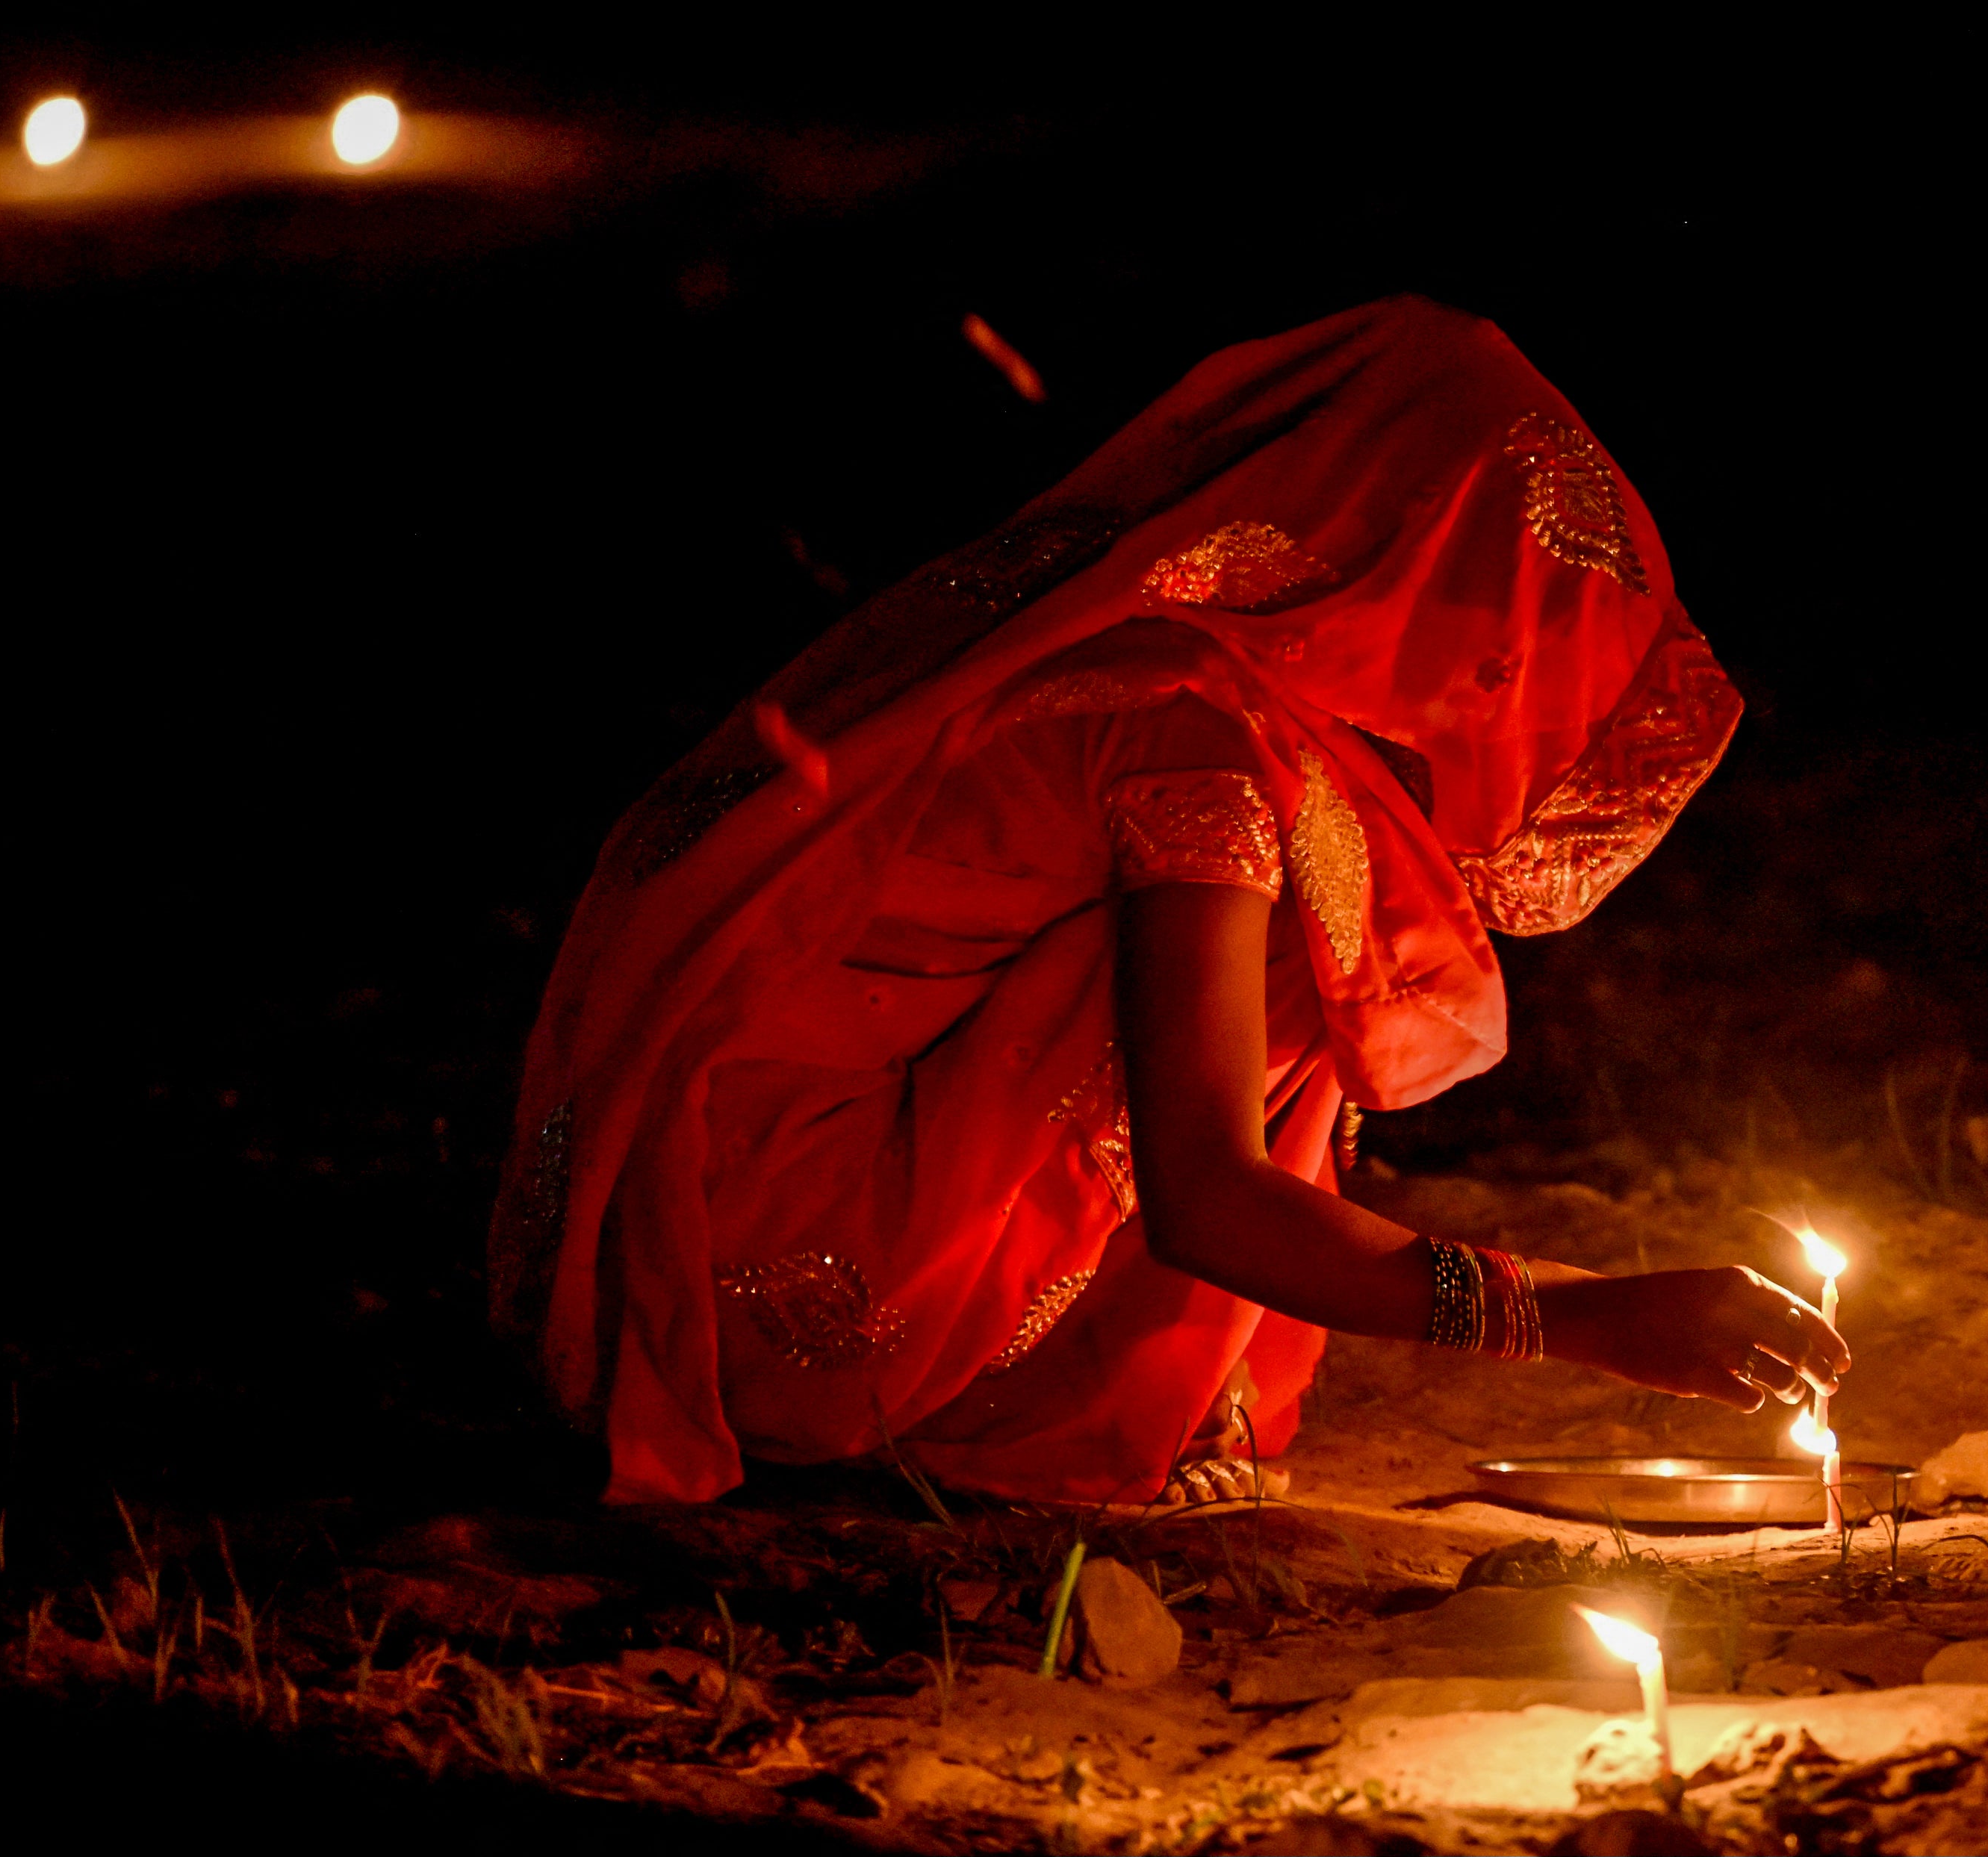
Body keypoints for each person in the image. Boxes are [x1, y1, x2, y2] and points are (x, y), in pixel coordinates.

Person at [490, 297, 1851, 1508]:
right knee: (1308, 942)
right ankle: (1025, 1414)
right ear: (1406, 556)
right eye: (1501, 609)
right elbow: (1208, 1201)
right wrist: (1587, 1317)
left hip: (664, 1238)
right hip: (770, 1273)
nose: (1500, 674)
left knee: (1310, 899)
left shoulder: (1129, 646)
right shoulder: (1195, 731)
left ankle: (1103, 1379)